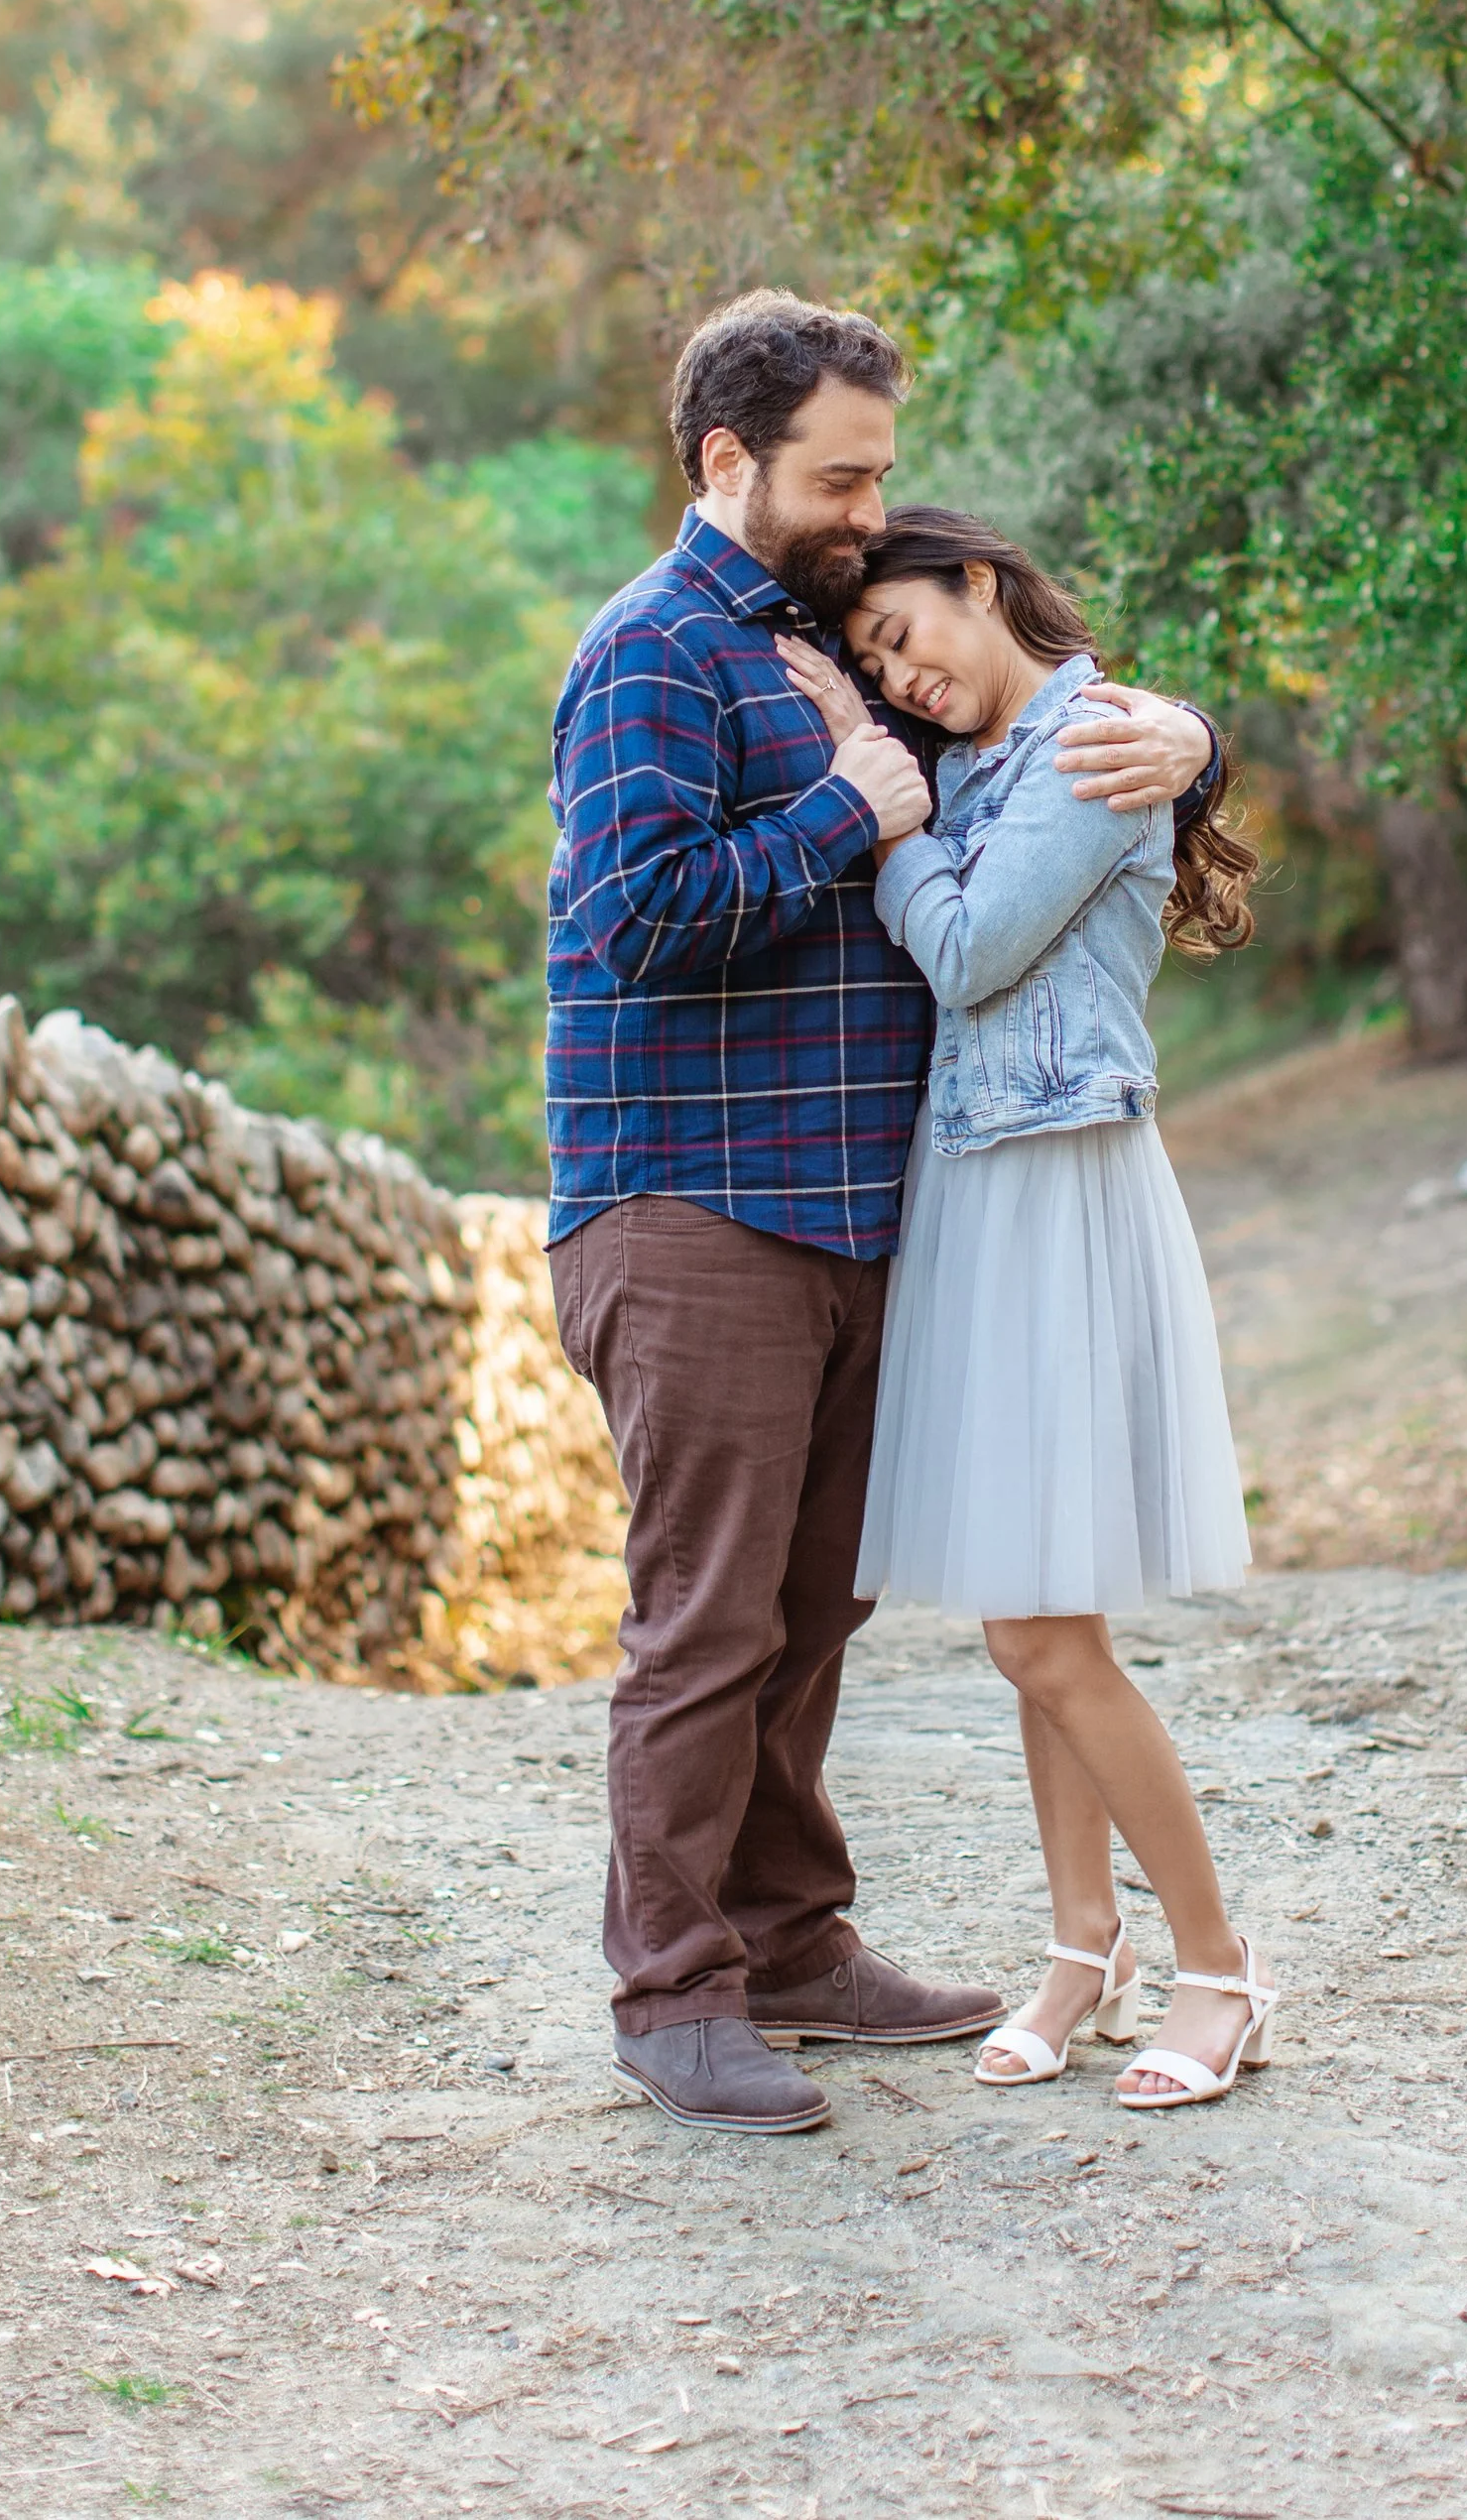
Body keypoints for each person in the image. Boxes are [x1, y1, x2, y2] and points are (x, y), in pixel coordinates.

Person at [544, 290, 1221, 2134]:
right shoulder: (655, 653)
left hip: (861, 1215)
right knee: (706, 1620)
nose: (867, 506)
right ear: (726, 460)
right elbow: (646, 918)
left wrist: (1190, 741)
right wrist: (850, 805)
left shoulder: (819, 639)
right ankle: (675, 1991)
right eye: (839, 476)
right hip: (693, 1203)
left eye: (883, 478)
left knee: (807, 1610)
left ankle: (790, 1938)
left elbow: (1034, 768)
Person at [782, 505, 1277, 2113]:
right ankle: (1083, 1947)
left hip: (1062, 1187)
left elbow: (976, 953)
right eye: (868, 669)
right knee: (1032, 1613)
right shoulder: (1010, 748)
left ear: (979, 584)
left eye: (903, 637)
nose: (898, 678)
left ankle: (1218, 1964)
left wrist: (878, 804)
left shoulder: (1091, 742)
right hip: (983, 1190)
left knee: (1039, 1629)